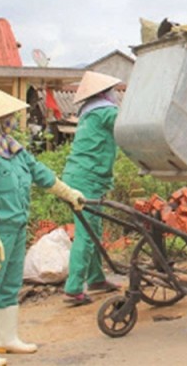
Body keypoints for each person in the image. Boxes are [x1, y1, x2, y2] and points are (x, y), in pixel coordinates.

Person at [0, 84, 84, 366]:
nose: (13, 121)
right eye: (9, 116)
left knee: (11, 282)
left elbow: (40, 173)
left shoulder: (12, 148)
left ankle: (6, 339)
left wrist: (69, 193)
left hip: (16, 226)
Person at [62, 71, 122, 306]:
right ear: (104, 93)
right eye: (112, 91)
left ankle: (96, 278)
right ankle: (74, 287)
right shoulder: (106, 111)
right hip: (87, 180)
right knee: (86, 235)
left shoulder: (88, 112)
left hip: (78, 177)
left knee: (92, 230)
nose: (114, 95)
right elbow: (130, 126)